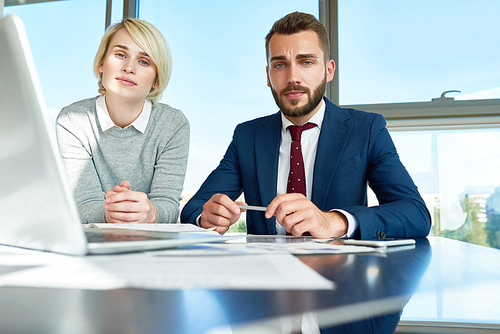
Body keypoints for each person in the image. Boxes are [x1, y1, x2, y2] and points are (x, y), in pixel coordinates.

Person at [181, 12, 431, 239]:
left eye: (306, 62)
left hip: (341, 277)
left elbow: (415, 213)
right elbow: (194, 207)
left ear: (329, 70)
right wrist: (206, 216)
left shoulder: (366, 129)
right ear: (268, 76)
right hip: (265, 277)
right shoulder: (248, 136)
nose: (292, 77)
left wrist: (336, 221)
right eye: (280, 65)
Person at [56, 18, 189, 224]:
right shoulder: (72, 120)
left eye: (144, 61)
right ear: (101, 63)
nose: (129, 67)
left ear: (156, 79)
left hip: (151, 246)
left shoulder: (174, 124)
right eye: (120, 55)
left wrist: (150, 213)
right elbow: (83, 205)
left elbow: (168, 205)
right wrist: (114, 212)